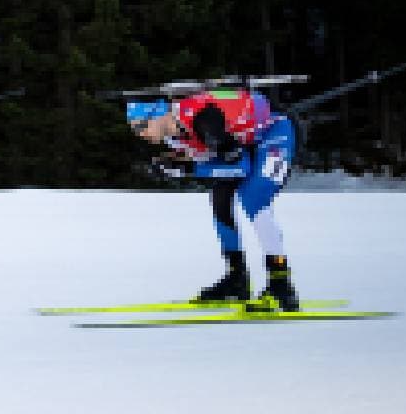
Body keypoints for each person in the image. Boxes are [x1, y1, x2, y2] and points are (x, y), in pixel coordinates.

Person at [127, 87, 300, 311]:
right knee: (220, 198)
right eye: (134, 129)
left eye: (142, 125)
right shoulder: (172, 136)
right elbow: (213, 160)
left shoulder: (203, 120)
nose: (140, 134)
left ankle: (281, 285)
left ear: (159, 113)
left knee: (254, 197)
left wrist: (188, 169)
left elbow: (239, 167)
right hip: (244, 141)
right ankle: (237, 279)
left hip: (276, 133)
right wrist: (179, 164)